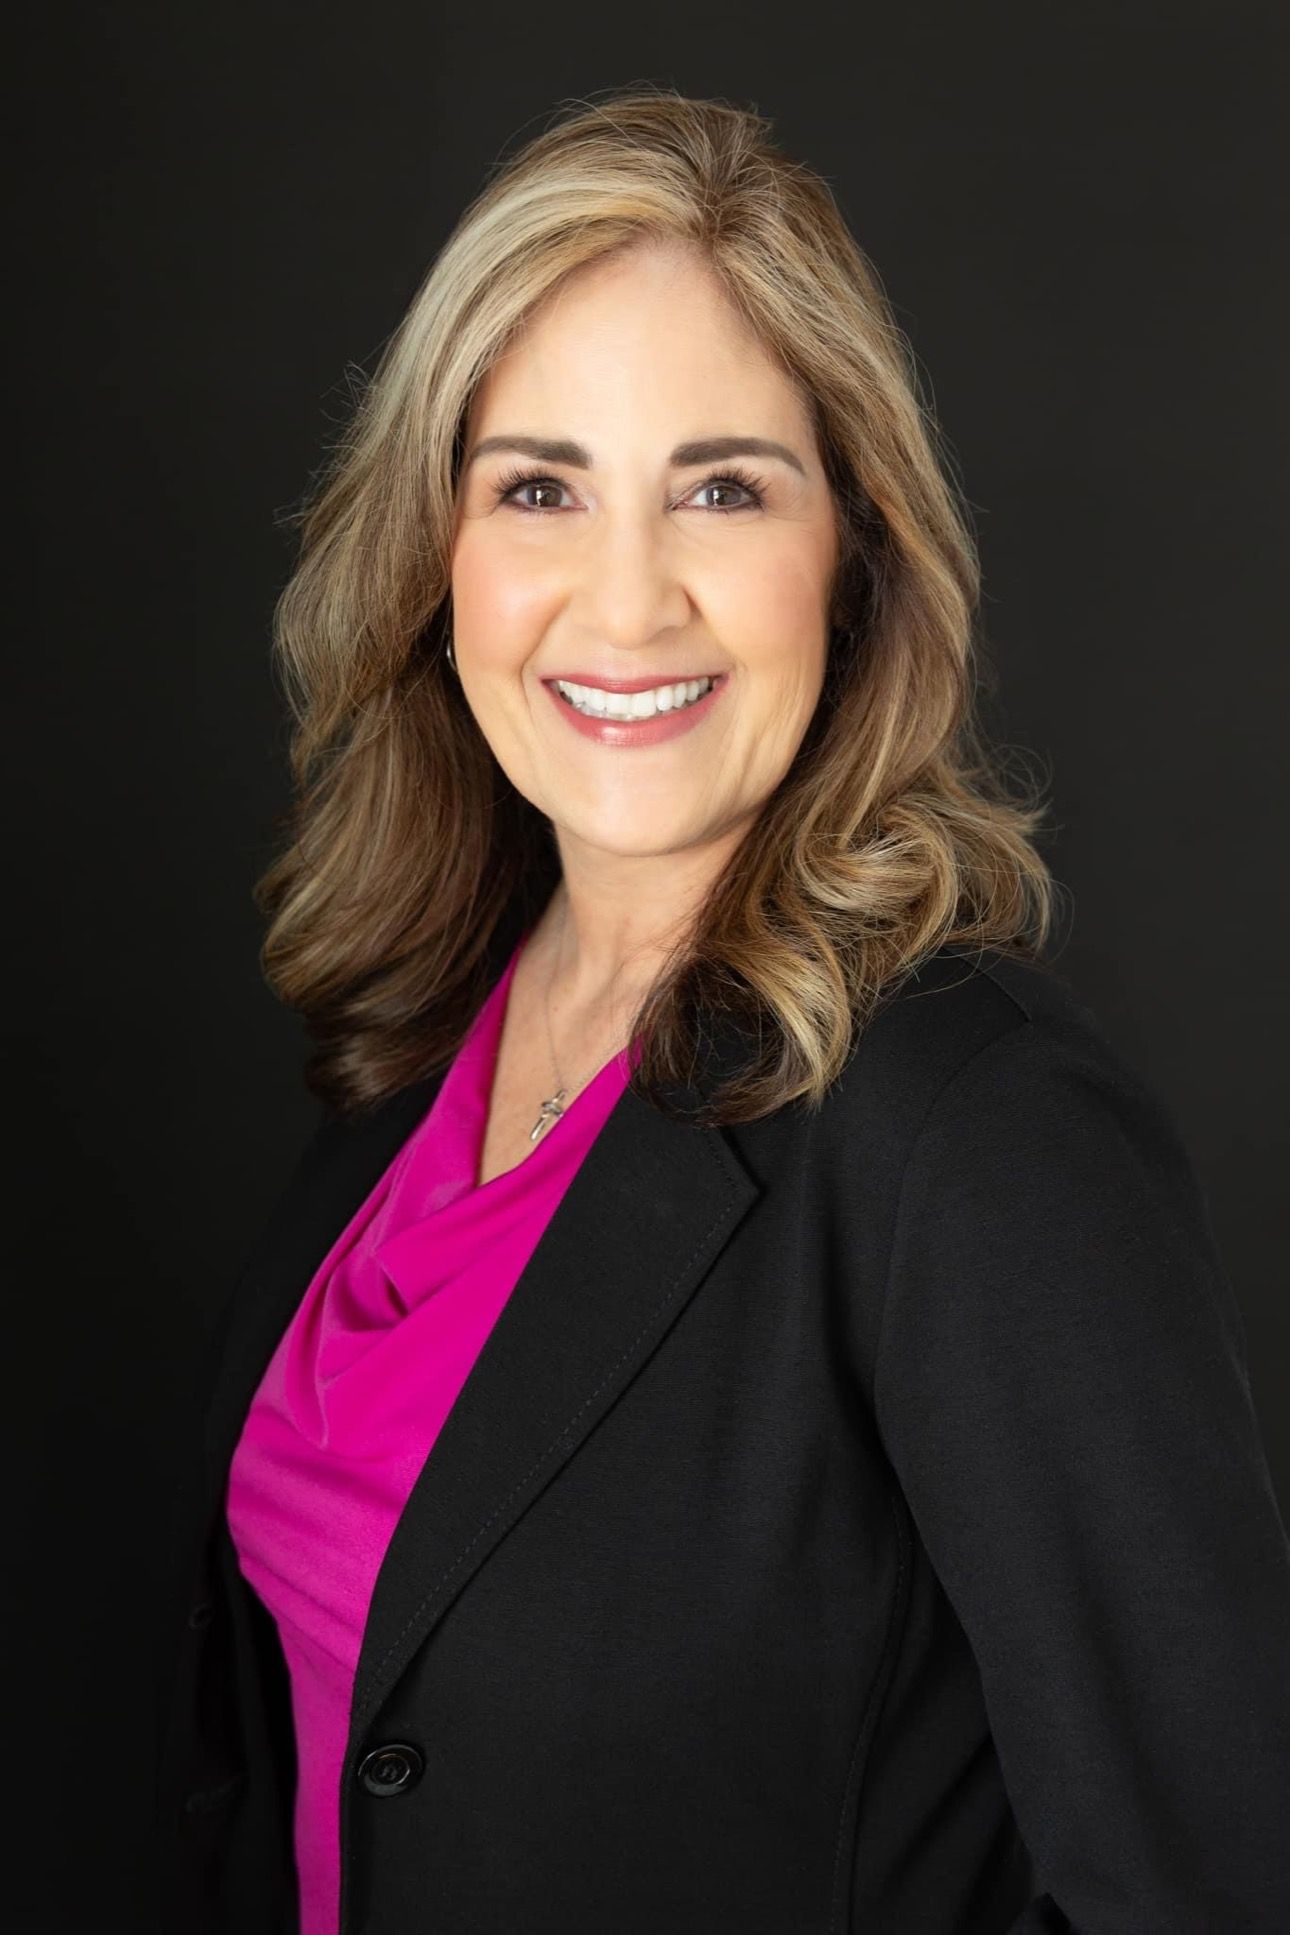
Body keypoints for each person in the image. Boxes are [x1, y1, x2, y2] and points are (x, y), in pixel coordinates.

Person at [154, 86, 1290, 1935]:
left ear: (851, 551)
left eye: (719, 485)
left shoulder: (980, 1137)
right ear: (435, 563)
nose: (624, 600)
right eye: (537, 487)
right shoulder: (423, 1049)